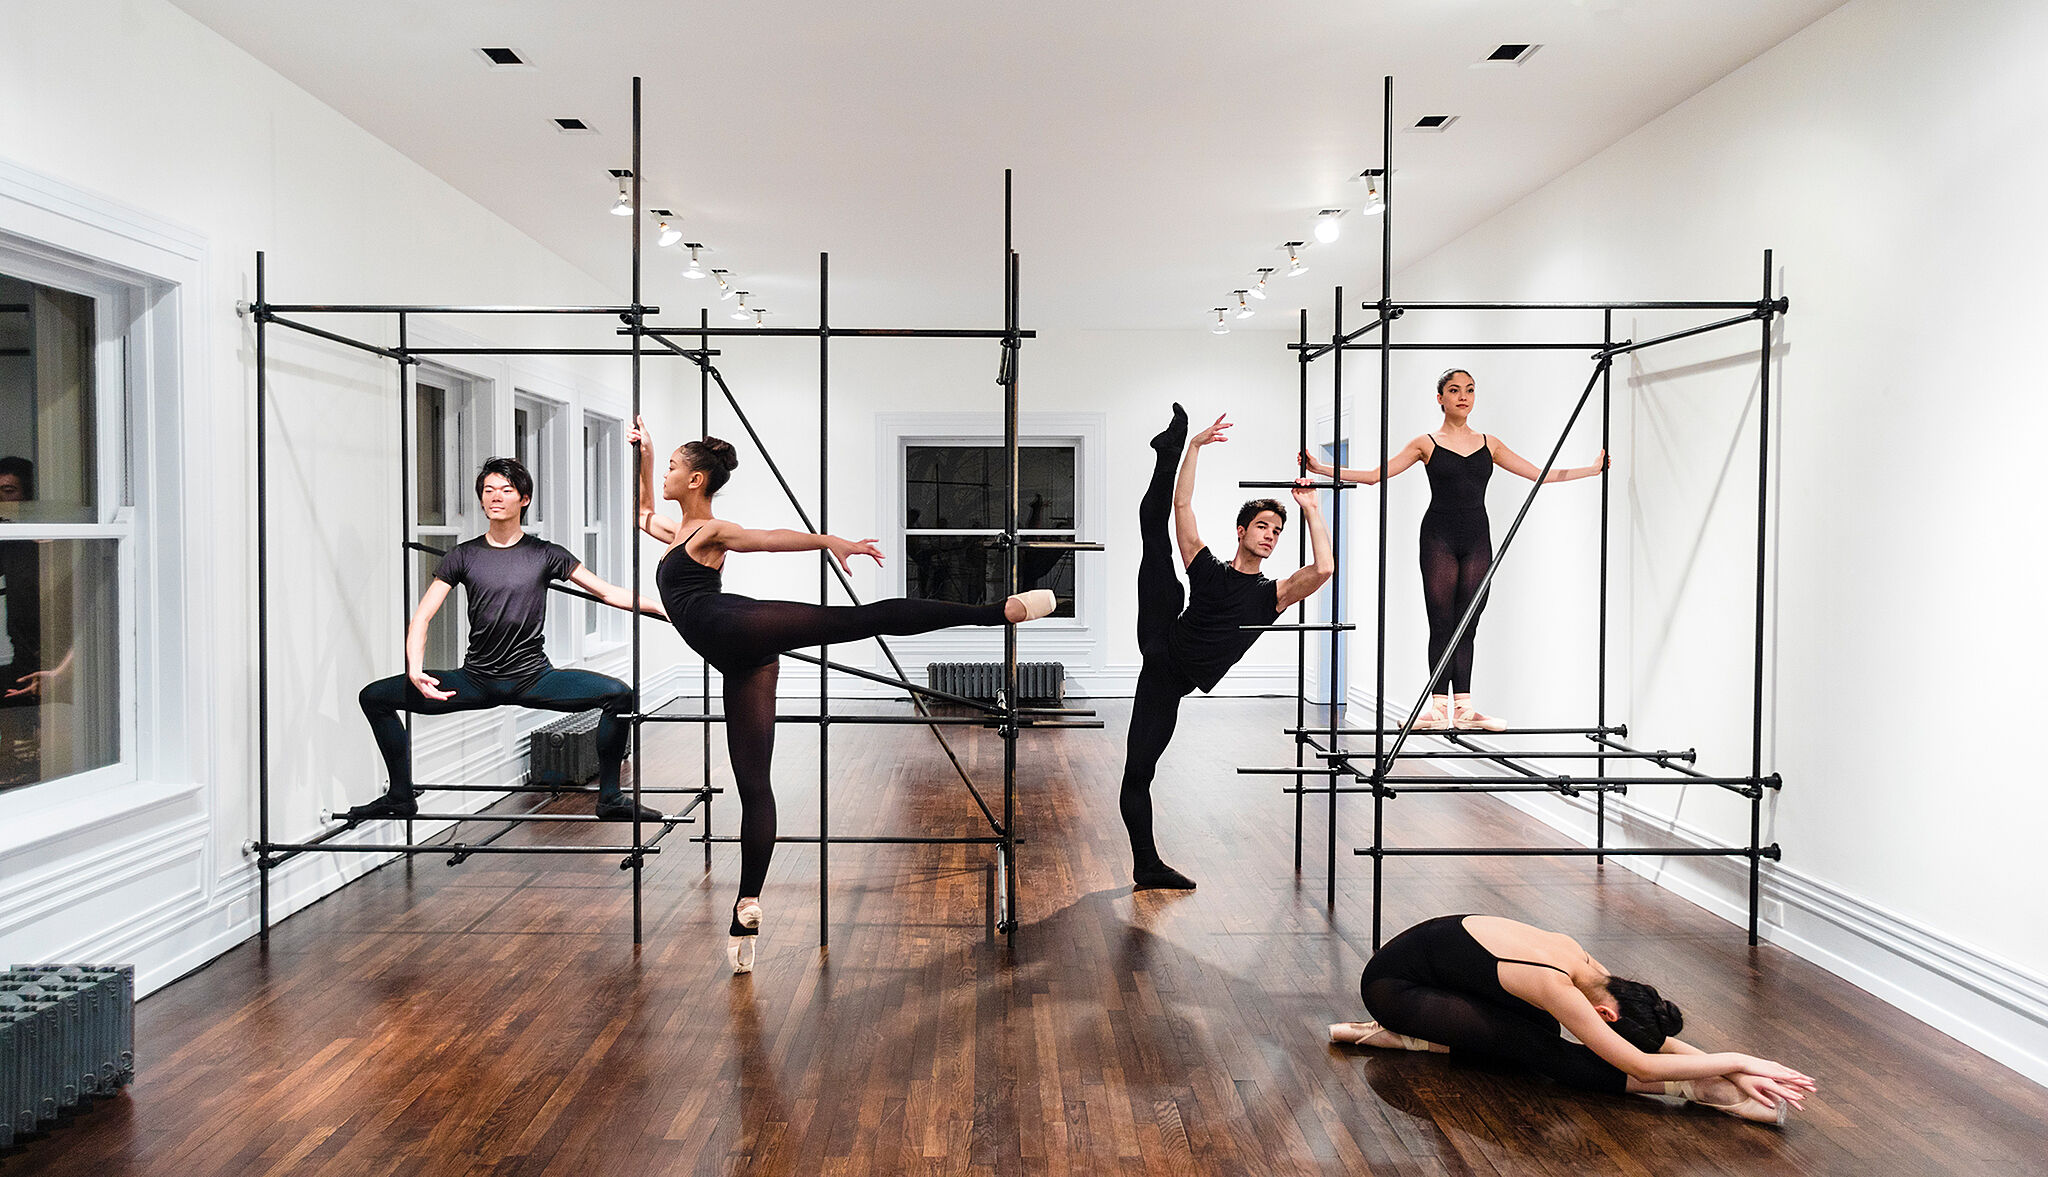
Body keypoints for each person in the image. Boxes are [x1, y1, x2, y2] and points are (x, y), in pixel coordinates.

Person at [631, 418, 1057, 974]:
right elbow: (642, 513)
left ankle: (995, 612)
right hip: (738, 660)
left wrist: (829, 541)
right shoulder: (675, 533)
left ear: (695, 480)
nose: (664, 477)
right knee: (753, 784)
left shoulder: (710, 531)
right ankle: (746, 906)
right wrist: (649, 452)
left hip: (732, 625)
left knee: (858, 620)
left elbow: (768, 540)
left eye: (671, 469)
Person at [348, 457, 667, 824]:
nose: (495, 497)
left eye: (506, 490)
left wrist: (663, 608)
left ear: (524, 499)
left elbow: (608, 593)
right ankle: (400, 795)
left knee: (619, 694)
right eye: (488, 491)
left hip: (534, 679)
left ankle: (610, 798)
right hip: (475, 681)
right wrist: (415, 670)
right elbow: (422, 616)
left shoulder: (545, 554)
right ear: (481, 501)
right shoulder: (463, 556)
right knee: (374, 697)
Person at [1303, 369, 1604, 731]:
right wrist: (1320, 467)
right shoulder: (1425, 443)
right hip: (1438, 539)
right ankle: (1435, 707)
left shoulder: (1489, 444)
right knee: (1442, 620)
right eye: (1454, 390)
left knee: (1469, 621)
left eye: (1470, 390)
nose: (1463, 396)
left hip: (1477, 538)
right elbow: (1372, 476)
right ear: (1440, 398)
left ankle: (1464, 709)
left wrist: (1591, 470)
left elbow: (1538, 474)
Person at [1120, 405, 1334, 891]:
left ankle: (1144, 867)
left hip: (1173, 679)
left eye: (1277, 532)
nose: (1271, 536)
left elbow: (1322, 571)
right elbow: (1183, 509)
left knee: (1141, 773)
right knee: (1155, 539)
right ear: (1242, 531)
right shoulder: (1209, 568)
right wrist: (1194, 448)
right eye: (1263, 526)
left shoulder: (1271, 597)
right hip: (1160, 646)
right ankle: (1168, 451)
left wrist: (1312, 510)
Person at [1331, 914, 1816, 1125]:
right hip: (1395, 988)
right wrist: (1734, 1064)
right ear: (1606, 1014)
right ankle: (1705, 1095)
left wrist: (1733, 1067)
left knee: (1539, 1028)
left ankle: (1426, 1040)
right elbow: (1643, 1066)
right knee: (1540, 1049)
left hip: (1451, 979)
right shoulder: (1554, 982)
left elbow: (1648, 1047)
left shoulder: (1598, 976)